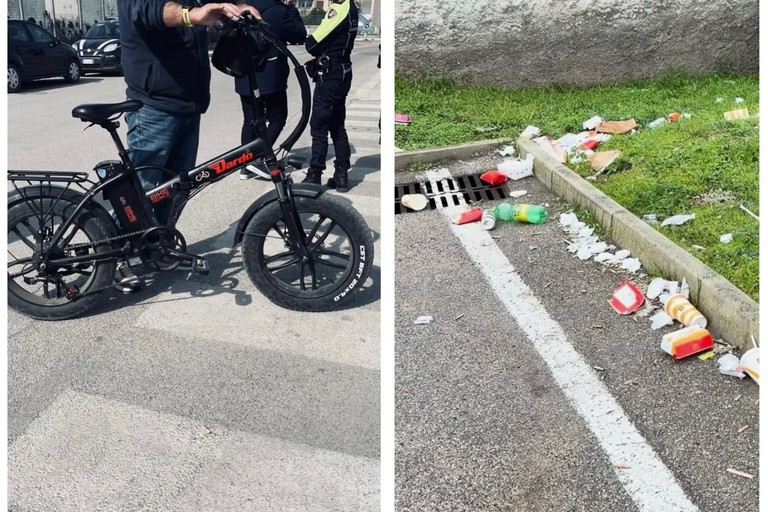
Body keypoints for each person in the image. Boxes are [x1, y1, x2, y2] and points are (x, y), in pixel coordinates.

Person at [115, 1, 260, 292]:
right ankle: (117, 260)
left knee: (175, 188)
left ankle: (158, 247)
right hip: (153, 105)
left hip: (188, 104)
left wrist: (240, 8)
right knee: (140, 190)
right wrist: (191, 16)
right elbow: (146, 11)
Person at [236, 0, 306, 179]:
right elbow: (299, 34)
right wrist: (290, 8)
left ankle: (246, 165)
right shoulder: (278, 11)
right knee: (278, 116)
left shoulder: (240, 7)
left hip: (244, 72)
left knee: (250, 120)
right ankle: (257, 159)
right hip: (270, 76)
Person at [302, 0, 358, 193]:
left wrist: (311, 40)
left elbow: (312, 44)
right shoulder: (351, 7)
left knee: (319, 125)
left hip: (330, 75)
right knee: (337, 125)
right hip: (343, 72)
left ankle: (314, 174)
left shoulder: (339, 8)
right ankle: (341, 175)